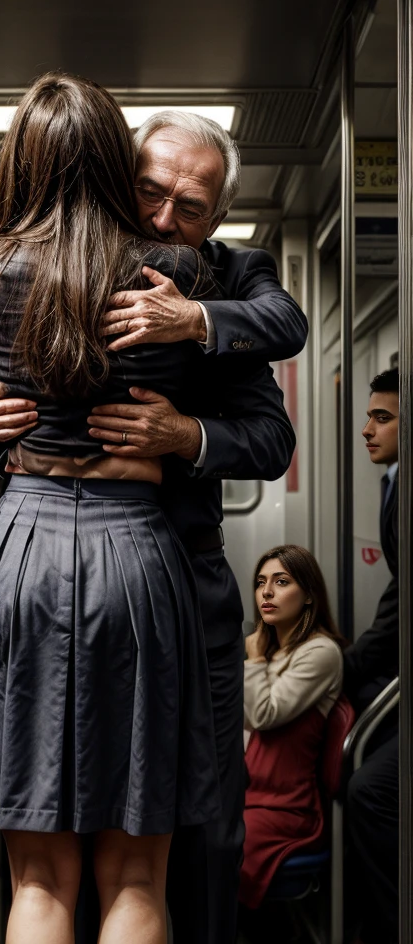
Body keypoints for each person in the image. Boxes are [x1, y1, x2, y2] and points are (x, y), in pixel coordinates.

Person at [0, 108, 307, 944]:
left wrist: (184, 429)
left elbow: (271, 435)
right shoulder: (55, 273)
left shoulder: (223, 276)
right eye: (149, 192)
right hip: (79, 573)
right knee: (61, 827)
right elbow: (0, 444)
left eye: (188, 207)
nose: (163, 218)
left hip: (186, 590)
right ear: (120, 181)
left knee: (196, 829)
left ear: (217, 219)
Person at [0, 72, 226, 944]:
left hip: (22, 541)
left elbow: (5, 393)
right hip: (137, 552)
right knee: (135, 877)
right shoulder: (173, 271)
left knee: (39, 883)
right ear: (113, 163)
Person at [239, 545, 344, 911]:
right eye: (260, 582)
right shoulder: (268, 650)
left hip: (286, 807)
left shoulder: (320, 652)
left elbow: (265, 714)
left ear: (309, 596)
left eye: (281, 582)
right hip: (250, 789)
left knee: (219, 846)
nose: (266, 592)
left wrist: (252, 661)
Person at [344, 368, 399, 944]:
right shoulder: (395, 483)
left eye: (382, 419)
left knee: (369, 792)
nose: (366, 430)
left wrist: (347, 664)